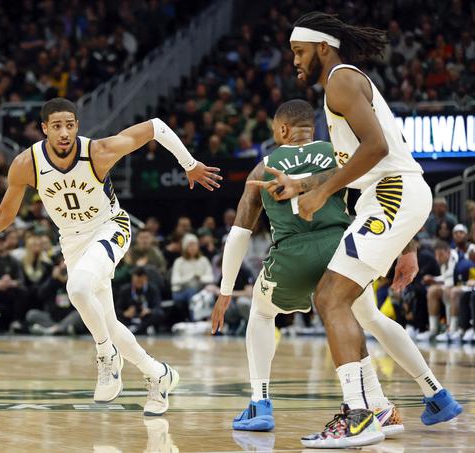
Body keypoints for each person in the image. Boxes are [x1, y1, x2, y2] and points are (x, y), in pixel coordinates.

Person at [257, 14, 461, 447]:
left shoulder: (340, 82)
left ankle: (359, 415)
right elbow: (363, 166)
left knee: (331, 297)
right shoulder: (341, 88)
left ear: (323, 48)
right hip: (387, 196)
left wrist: (320, 192)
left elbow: (378, 150)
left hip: (392, 193)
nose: (294, 61)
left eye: (299, 52)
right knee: (340, 301)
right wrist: (305, 185)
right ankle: (378, 408)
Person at [212, 99, 459, 442]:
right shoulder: (339, 154)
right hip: (342, 247)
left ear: (282, 130)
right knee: (368, 316)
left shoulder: (262, 169)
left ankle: (259, 403)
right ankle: (429, 394)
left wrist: (225, 291)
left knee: (261, 312)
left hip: (294, 254)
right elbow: (383, 194)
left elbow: (239, 235)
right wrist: (408, 246)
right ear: (312, 128)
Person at [0, 97, 221, 415]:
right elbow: (5, 214)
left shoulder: (98, 152)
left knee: (78, 289)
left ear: (77, 126)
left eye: (70, 125)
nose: (64, 132)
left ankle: (106, 356)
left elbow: (156, 127)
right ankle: (158, 374)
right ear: (44, 128)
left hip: (110, 227)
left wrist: (190, 164)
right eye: (57, 126)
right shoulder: (26, 164)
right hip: (72, 241)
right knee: (109, 324)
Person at [116, 267, 164, 335]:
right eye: (136, 282)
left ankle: (136, 328)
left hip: (145, 318)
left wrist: (149, 311)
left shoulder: (153, 289)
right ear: (132, 279)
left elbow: (158, 307)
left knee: (159, 314)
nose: (138, 284)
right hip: (129, 318)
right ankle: (141, 328)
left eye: (140, 282)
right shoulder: (125, 290)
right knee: (115, 315)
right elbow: (117, 308)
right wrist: (125, 313)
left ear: (145, 279)